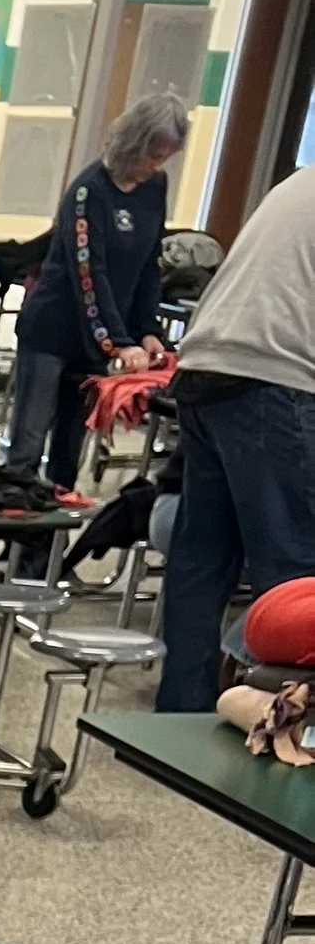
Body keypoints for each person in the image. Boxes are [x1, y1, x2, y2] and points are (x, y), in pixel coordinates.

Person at [157, 161, 315, 713]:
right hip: (274, 376)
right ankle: (285, 732)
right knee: (296, 578)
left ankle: (179, 716)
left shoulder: (301, 182)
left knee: (203, 559)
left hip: (206, 366)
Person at [3, 96, 187, 491]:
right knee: (28, 449)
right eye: (152, 156)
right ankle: (13, 552)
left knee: (69, 455)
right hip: (52, 332)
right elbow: (90, 275)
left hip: (95, 344)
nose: (156, 166)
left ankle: (47, 551)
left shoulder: (154, 187)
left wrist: (147, 330)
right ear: (133, 143)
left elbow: (148, 263)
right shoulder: (88, 192)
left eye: (164, 158)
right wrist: (118, 343)